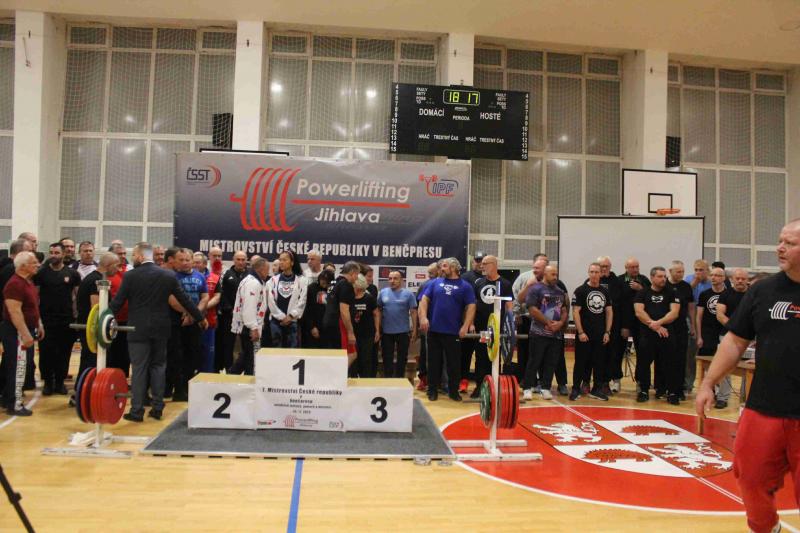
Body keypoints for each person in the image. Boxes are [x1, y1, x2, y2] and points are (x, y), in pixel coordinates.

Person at [695, 219, 800, 533]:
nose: (780, 248)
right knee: (749, 476)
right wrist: (708, 382)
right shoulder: (763, 291)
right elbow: (735, 340)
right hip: (764, 407)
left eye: (790, 243)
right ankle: (767, 528)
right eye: (780, 241)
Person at [109, 243, 206, 422]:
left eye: (133, 254)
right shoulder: (167, 275)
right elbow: (185, 300)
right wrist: (200, 318)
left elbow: (117, 302)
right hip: (161, 329)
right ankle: (158, 408)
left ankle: (137, 411)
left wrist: (103, 320)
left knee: (139, 369)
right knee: (159, 367)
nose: (132, 257)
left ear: (140, 256)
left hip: (137, 329)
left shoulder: (130, 276)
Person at [418, 257, 475, 402]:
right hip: (434, 330)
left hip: (453, 332)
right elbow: (424, 300)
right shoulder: (434, 283)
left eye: (444, 266)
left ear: (453, 268)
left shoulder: (465, 286)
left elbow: (471, 306)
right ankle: (432, 390)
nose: (441, 269)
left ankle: (453, 392)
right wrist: (423, 317)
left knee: (454, 364)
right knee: (433, 362)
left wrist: (466, 325)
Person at [33, 242, 80, 396]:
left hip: (66, 321)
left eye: (56, 253)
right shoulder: (41, 273)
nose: (53, 255)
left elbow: (77, 296)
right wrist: (37, 319)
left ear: (63, 254)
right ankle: (47, 382)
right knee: (46, 353)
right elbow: (35, 297)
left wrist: (76, 316)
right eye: (51, 252)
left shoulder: (72, 274)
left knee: (64, 353)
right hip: (47, 321)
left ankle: (60, 382)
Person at [1, 251, 42, 416]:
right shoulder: (15, 284)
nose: (37, 265)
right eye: (34, 262)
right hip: (16, 332)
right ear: (23, 266)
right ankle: (15, 405)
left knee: (18, 366)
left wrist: (39, 324)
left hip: (26, 329)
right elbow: (15, 312)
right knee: (18, 367)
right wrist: (25, 334)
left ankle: (7, 398)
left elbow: (33, 306)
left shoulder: (28, 283)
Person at [634, 267, 680, 404]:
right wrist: (654, 326)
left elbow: (674, 313)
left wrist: (659, 323)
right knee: (643, 363)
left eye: (664, 276)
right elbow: (639, 312)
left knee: (670, 363)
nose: (663, 279)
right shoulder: (642, 292)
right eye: (660, 276)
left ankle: (671, 392)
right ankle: (643, 391)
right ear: (652, 277)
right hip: (647, 334)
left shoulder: (671, 292)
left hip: (666, 333)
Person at [523, 265, 568, 400]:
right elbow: (532, 309)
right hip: (538, 333)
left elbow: (564, 309)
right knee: (534, 361)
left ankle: (546, 388)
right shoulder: (535, 289)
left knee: (551, 362)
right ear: (545, 274)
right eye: (552, 274)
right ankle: (527, 388)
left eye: (556, 274)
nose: (555, 277)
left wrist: (560, 323)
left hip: (555, 334)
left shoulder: (560, 291)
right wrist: (548, 323)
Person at [471, 255, 512, 397]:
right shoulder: (479, 283)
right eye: (481, 263)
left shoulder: (505, 284)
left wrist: (510, 326)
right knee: (481, 357)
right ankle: (480, 387)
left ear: (494, 265)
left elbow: (509, 306)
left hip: (497, 328)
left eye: (485, 263)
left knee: (494, 357)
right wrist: (471, 323)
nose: (481, 266)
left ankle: (493, 387)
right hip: (482, 327)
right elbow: (473, 305)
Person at [571, 262, 612, 401]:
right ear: (588, 273)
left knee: (599, 363)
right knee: (580, 362)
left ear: (601, 274)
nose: (594, 274)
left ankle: (597, 389)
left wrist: (607, 332)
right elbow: (575, 312)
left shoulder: (605, 291)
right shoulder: (580, 290)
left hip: (600, 334)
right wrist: (580, 332)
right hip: (585, 334)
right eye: (592, 272)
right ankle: (575, 388)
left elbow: (609, 312)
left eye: (597, 272)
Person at [75, 253, 119, 379]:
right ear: (108, 265)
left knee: (90, 360)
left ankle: (85, 387)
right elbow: (96, 308)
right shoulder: (96, 281)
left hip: (91, 327)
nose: (118, 269)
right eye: (116, 265)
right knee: (90, 361)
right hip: (91, 329)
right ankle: (84, 388)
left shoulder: (96, 278)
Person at [172, 248, 208, 397]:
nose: (185, 263)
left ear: (192, 261)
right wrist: (186, 313)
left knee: (193, 356)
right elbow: (171, 299)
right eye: (181, 260)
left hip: (194, 322)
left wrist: (195, 314)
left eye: (187, 260)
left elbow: (205, 297)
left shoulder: (200, 276)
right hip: (178, 322)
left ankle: (189, 388)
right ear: (175, 261)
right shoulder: (172, 277)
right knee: (177, 356)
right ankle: (177, 390)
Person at [711, 267, 749, 409]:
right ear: (732, 279)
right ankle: (722, 397)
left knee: (748, 368)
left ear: (747, 280)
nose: (740, 281)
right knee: (725, 366)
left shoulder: (752, 294)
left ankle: (746, 398)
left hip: (749, 337)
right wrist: (735, 328)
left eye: (743, 279)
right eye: (737, 278)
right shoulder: (725, 294)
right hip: (728, 335)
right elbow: (720, 315)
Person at [229, 256, 270, 375]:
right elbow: (249, 307)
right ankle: (247, 381)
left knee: (246, 355)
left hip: (248, 325)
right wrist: (253, 328)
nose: (268, 273)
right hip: (249, 327)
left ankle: (231, 375)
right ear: (261, 269)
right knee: (251, 360)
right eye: (267, 270)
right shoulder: (253, 283)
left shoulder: (252, 280)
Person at [377, 270, 418, 379]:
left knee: (402, 358)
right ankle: (388, 379)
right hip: (386, 332)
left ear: (401, 280)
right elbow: (378, 311)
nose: (392, 281)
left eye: (395, 278)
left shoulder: (408, 294)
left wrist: (415, 330)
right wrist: (378, 328)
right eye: (390, 278)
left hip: (403, 332)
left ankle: (399, 379)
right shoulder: (382, 293)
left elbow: (413, 312)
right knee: (387, 358)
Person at [666, 260, 695, 401]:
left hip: (681, 326)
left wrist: (693, 326)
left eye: (683, 271)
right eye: (678, 272)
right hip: (666, 326)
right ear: (670, 271)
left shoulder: (686, 287)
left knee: (681, 358)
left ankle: (679, 389)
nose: (681, 274)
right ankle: (664, 387)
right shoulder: (664, 285)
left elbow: (691, 308)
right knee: (666, 358)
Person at [266, 250, 307, 348]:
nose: (281, 262)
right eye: (280, 260)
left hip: (293, 321)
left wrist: (291, 316)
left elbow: (302, 301)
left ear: (292, 262)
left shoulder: (302, 280)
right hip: (276, 321)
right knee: (277, 351)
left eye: (284, 260)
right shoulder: (272, 280)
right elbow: (270, 301)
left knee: (292, 351)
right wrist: (281, 317)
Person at [216, 250, 248, 372]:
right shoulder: (226, 274)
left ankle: (245, 370)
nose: (240, 262)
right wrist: (229, 309)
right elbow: (221, 293)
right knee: (228, 344)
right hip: (229, 315)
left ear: (246, 261)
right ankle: (228, 369)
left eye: (243, 260)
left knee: (246, 345)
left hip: (246, 317)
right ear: (233, 260)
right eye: (238, 259)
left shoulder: (250, 275)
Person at [596, 256, 624, 393]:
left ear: (610, 267)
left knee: (614, 354)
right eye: (601, 266)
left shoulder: (617, 282)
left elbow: (621, 303)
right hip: (596, 325)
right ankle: (599, 382)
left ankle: (615, 380)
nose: (604, 269)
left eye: (606, 266)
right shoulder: (592, 281)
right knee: (598, 354)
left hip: (614, 325)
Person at [458, 251, 484, 393]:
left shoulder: (490, 278)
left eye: (482, 261)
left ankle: (482, 384)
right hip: (467, 322)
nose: (480, 264)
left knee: (482, 355)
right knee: (465, 353)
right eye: (477, 261)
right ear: (472, 262)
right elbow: (463, 303)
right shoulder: (465, 277)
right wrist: (467, 323)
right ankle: (463, 381)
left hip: (485, 324)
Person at [684, 259, 710, 393]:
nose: (698, 272)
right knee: (690, 354)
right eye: (696, 270)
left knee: (708, 354)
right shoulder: (689, 279)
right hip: (692, 317)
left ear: (707, 270)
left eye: (701, 270)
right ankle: (688, 384)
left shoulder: (712, 282)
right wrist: (695, 282)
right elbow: (685, 294)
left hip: (708, 319)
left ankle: (710, 386)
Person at [322, 261, 360, 353]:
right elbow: (344, 310)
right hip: (338, 325)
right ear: (352, 272)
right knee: (348, 354)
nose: (357, 278)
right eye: (357, 274)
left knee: (334, 354)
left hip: (328, 322)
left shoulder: (333, 282)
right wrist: (350, 332)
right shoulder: (346, 285)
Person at [194, 252, 221, 373]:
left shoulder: (214, 278)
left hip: (209, 322)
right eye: (193, 262)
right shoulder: (186, 276)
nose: (195, 265)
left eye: (198, 263)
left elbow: (217, 297)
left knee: (208, 353)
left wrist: (203, 307)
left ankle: (207, 377)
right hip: (190, 322)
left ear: (205, 264)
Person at [415, 262, 439, 391]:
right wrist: (421, 321)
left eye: (432, 272)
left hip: (440, 325)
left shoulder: (443, 284)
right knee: (425, 353)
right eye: (428, 272)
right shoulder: (425, 285)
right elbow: (419, 305)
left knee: (437, 354)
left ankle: (437, 381)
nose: (430, 275)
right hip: (427, 324)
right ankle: (424, 379)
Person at [351, 274, 379, 377]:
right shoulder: (349, 298)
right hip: (352, 334)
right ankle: (353, 379)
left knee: (366, 359)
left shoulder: (369, 298)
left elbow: (376, 314)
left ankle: (365, 380)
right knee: (353, 359)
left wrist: (377, 331)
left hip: (367, 334)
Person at [696, 267, 727, 358]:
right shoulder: (704, 294)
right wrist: (699, 336)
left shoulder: (728, 294)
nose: (713, 277)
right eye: (711, 275)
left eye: (717, 275)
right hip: (707, 334)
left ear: (723, 278)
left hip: (723, 332)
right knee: (705, 360)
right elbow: (699, 317)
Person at [302, 270, 334, 348]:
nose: (324, 282)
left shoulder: (333, 290)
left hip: (328, 329)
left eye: (326, 281)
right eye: (322, 280)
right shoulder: (312, 288)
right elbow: (307, 309)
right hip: (313, 326)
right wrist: (311, 327)